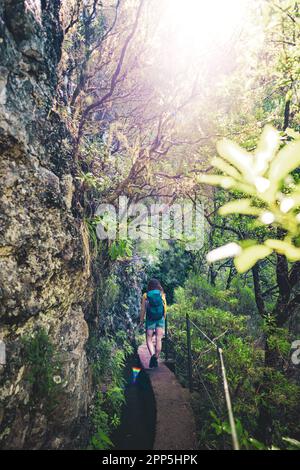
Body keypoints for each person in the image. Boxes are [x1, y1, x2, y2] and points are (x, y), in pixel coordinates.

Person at [139, 279, 167, 368]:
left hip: (150, 318)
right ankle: (156, 357)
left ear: (149, 286)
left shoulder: (146, 295)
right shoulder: (161, 294)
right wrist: (164, 317)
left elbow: (143, 309)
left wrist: (141, 320)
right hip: (160, 318)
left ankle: (152, 355)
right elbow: (165, 306)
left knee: (149, 338)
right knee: (159, 339)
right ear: (158, 285)